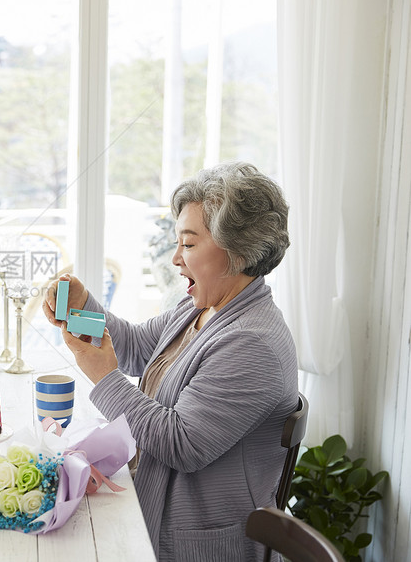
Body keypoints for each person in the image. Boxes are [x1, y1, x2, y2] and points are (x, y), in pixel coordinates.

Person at [44, 161, 297, 562]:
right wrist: (85, 307)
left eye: (190, 244)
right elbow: (138, 346)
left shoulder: (252, 344)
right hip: (150, 508)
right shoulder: (202, 305)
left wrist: (104, 379)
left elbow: (182, 444)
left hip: (194, 544)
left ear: (237, 252)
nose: (176, 259)